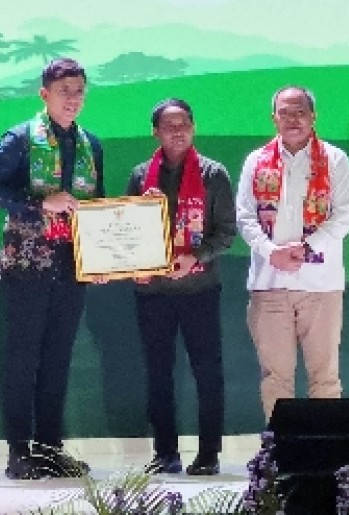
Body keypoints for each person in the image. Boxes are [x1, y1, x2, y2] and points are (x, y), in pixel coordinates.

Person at [0, 58, 104, 480]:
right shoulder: (19, 138)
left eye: (79, 90)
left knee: (57, 360)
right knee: (22, 359)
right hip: (27, 265)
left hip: (71, 266)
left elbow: (97, 207)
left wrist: (104, 256)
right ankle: (18, 452)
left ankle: (50, 450)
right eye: (64, 90)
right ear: (44, 94)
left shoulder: (91, 145)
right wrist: (39, 203)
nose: (73, 98)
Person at [126, 98, 236, 476]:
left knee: (208, 373)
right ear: (155, 132)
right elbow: (127, 230)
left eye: (184, 124)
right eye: (169, 126)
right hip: (153, 294)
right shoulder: (140, 176)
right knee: (159, 374)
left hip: (199, 290)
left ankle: (209, 454)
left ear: (193, 128)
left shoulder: (213, 174)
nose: (178, 131)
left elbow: (226, 232)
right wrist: (129, 264)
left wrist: (195, 257)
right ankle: (165, 453)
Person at [236, 85, 349, 422]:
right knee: (275, 378)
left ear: (313, 117)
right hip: (269, 284)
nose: (293, 119)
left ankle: (325, 449)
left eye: (300, 112)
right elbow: (245, 217)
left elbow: (345, 215)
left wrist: (307, 248)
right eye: (285, 113)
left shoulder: (335, 160)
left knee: (325, 378)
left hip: (321, 286)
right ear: (273, 118)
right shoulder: (256, 161)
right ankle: (283, 450)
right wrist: (271, 252)